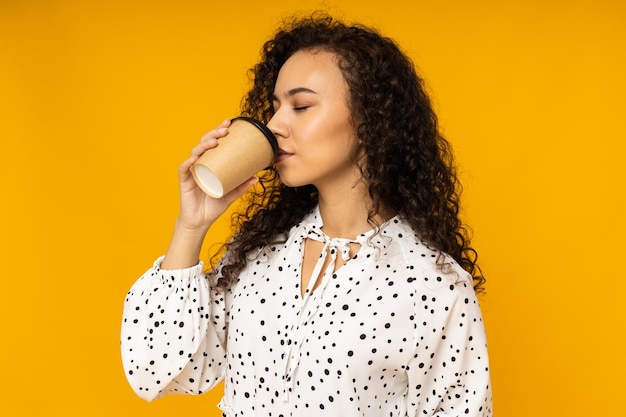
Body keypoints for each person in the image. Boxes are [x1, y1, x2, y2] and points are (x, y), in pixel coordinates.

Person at [121, 12, 492, 417]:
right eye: (276, 106)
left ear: (370, 119)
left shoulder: (434, 285)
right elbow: (154, 370)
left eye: (300, 106)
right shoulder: (259, 255)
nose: (275, 124)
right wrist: (191, 225)